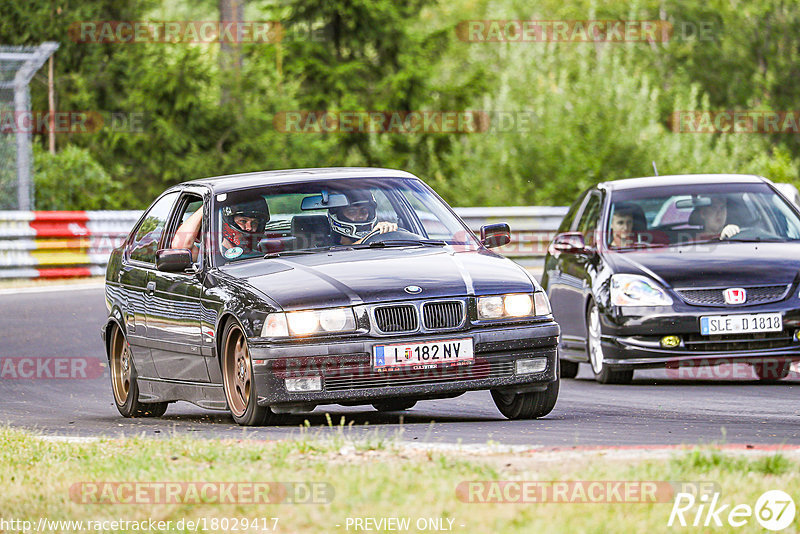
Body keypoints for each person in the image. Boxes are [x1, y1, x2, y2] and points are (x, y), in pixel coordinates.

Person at [328, 190, 397, 245]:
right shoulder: (323, 244)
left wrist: (388, 230)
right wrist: (371, 237)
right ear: (339, 215)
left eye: (364, 212)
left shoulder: (377, 232)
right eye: (352, 212)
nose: (360, 217)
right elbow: (342, 255)